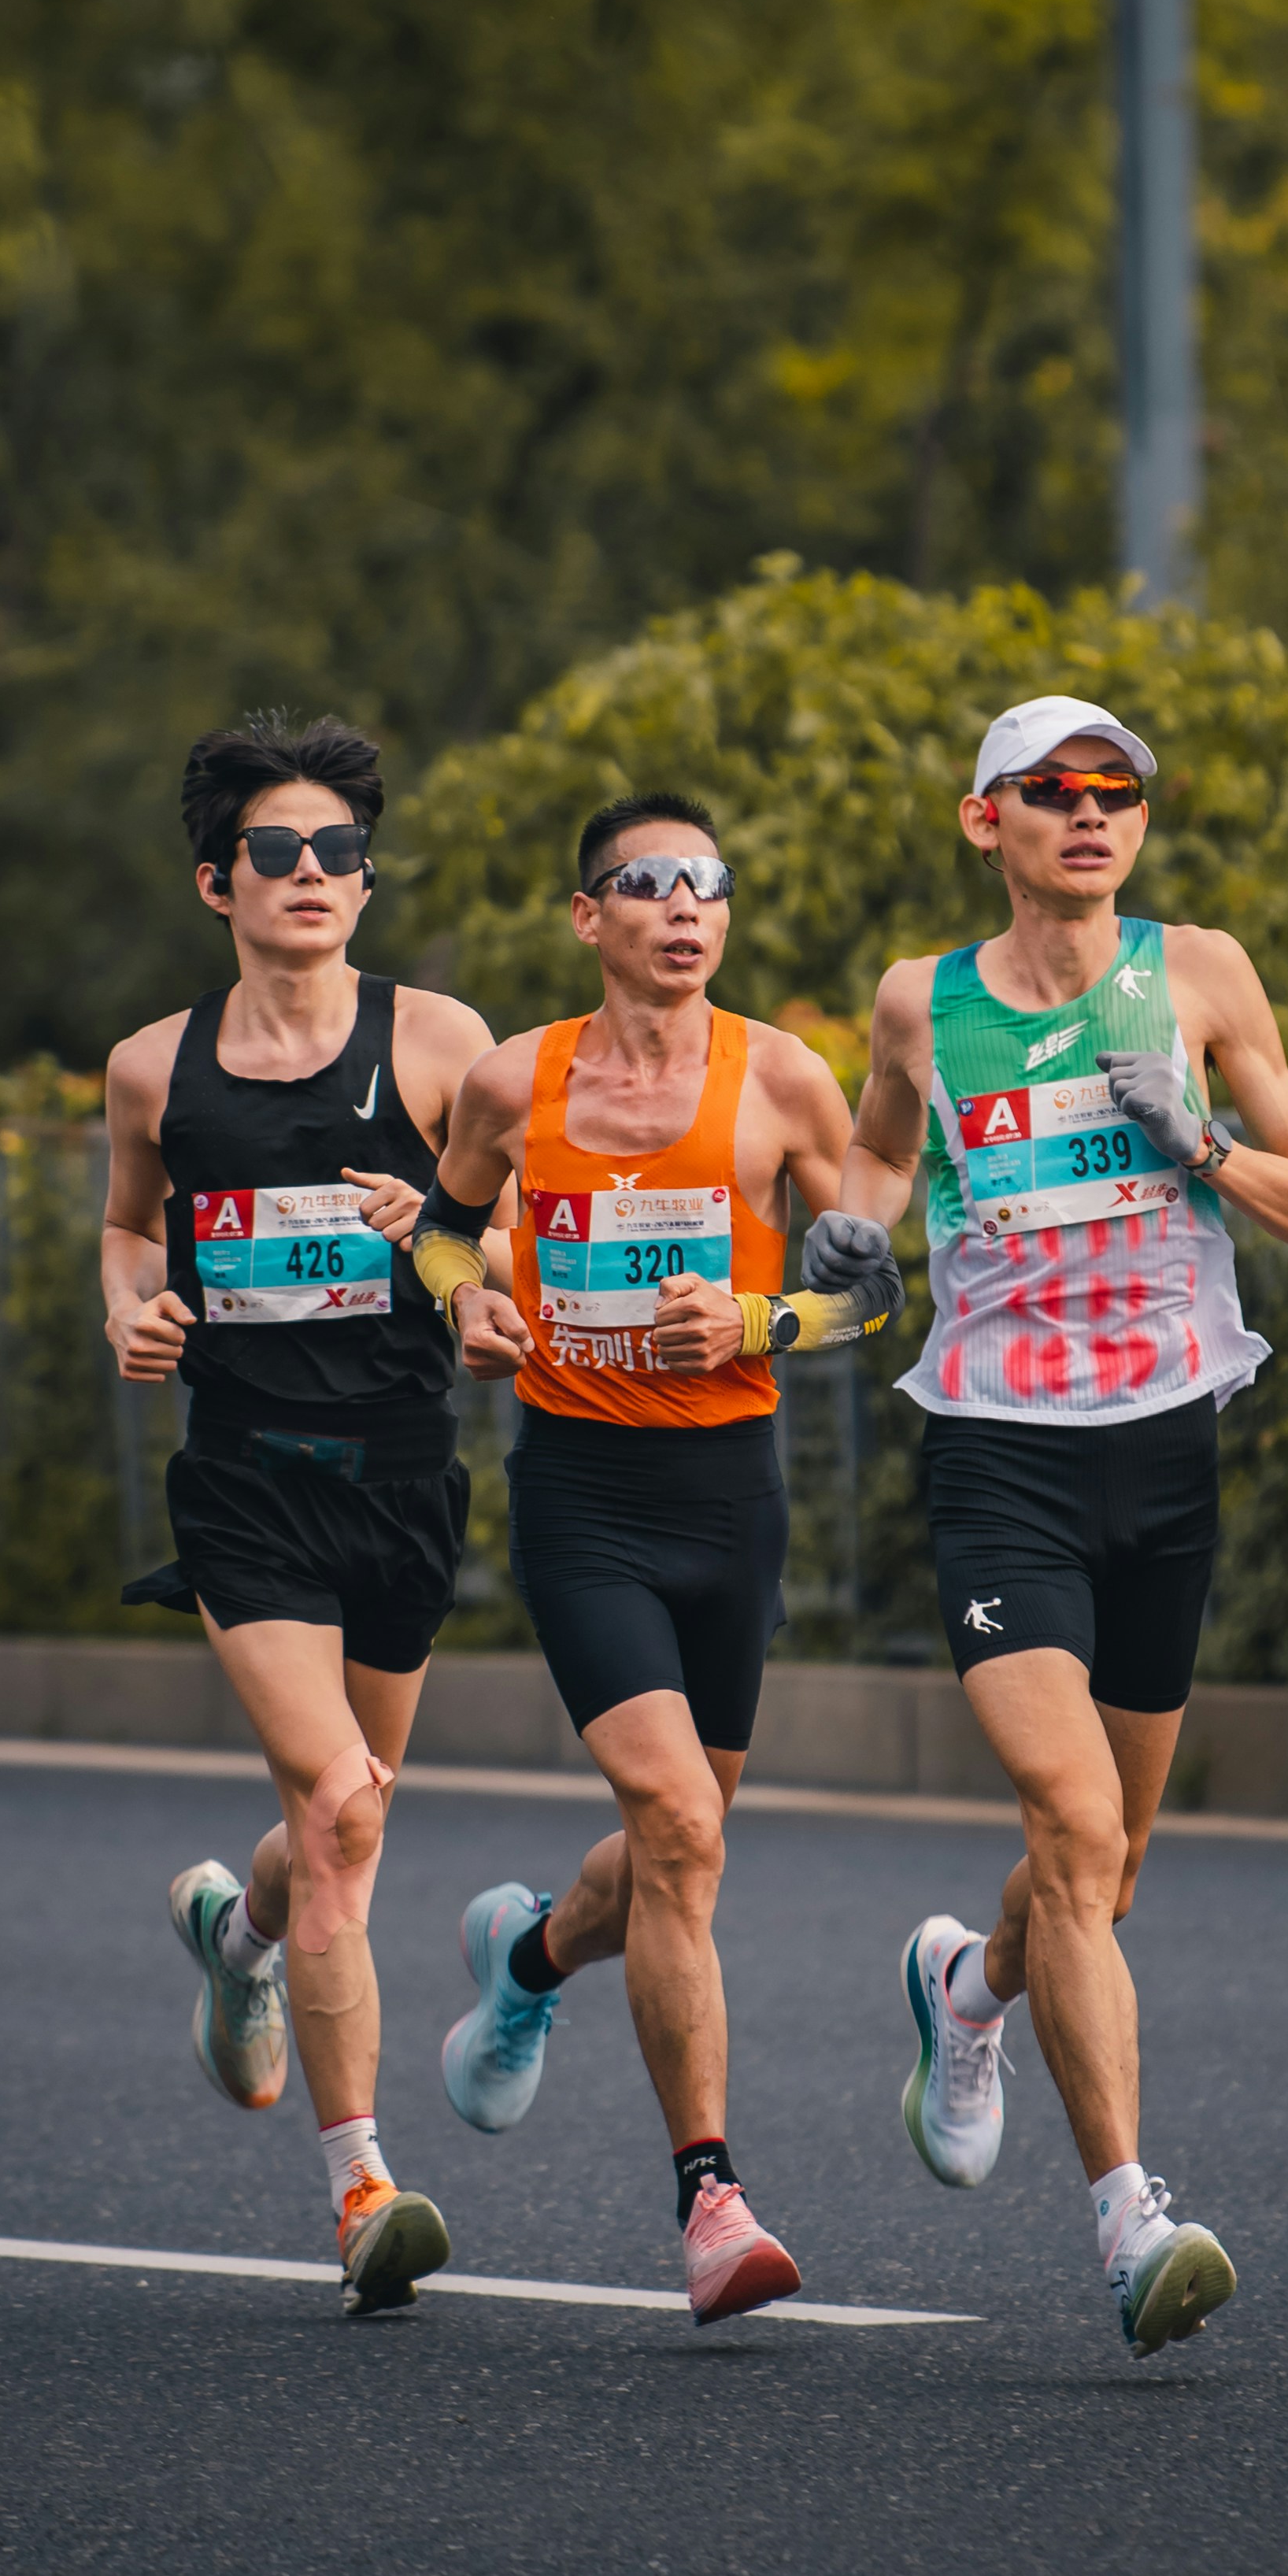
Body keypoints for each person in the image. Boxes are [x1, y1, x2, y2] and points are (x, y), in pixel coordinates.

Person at [816, 694, 1288, 2356]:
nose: (1091, 815)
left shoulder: (1198, 975)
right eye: (1053, 792)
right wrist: (849, 1230)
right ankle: (1130, 2217)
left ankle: (967, 1989)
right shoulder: (924, 999)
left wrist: (1195, 1140)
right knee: (1070, 1818)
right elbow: (882, 1156)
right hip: (999, 1459)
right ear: (988, 821)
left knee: (1101, 1874)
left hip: (1163, 1455)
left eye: (1116, 792)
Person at [405, 794, 898, 2326]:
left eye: (710, 887)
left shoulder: (787, 1082)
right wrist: (465, 1308)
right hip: (580, 1495)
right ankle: (710, 2201)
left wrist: (759, 1321)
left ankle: (532, 1956)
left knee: (683, 1850)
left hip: (726, 1500)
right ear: (588, 918)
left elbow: (871, 1299)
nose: (686, 910)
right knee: (679, 1825)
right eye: (649, 884)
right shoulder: (511, 1081)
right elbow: (438, 1232)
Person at [100, 709, 513, 2318]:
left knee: (350, 1824)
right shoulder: (156, 1065)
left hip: (402, 1476)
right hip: (249, 1478)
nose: (314, 875)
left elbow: (501, 1251)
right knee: (337, 1802)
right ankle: (360, 2189)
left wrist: (451, 1260)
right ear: (219, 881)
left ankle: (241, 1935)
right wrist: (131, 1317)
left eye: (341, 850)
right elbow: (133, 1236)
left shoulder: (436, 1045)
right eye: (279, 851)